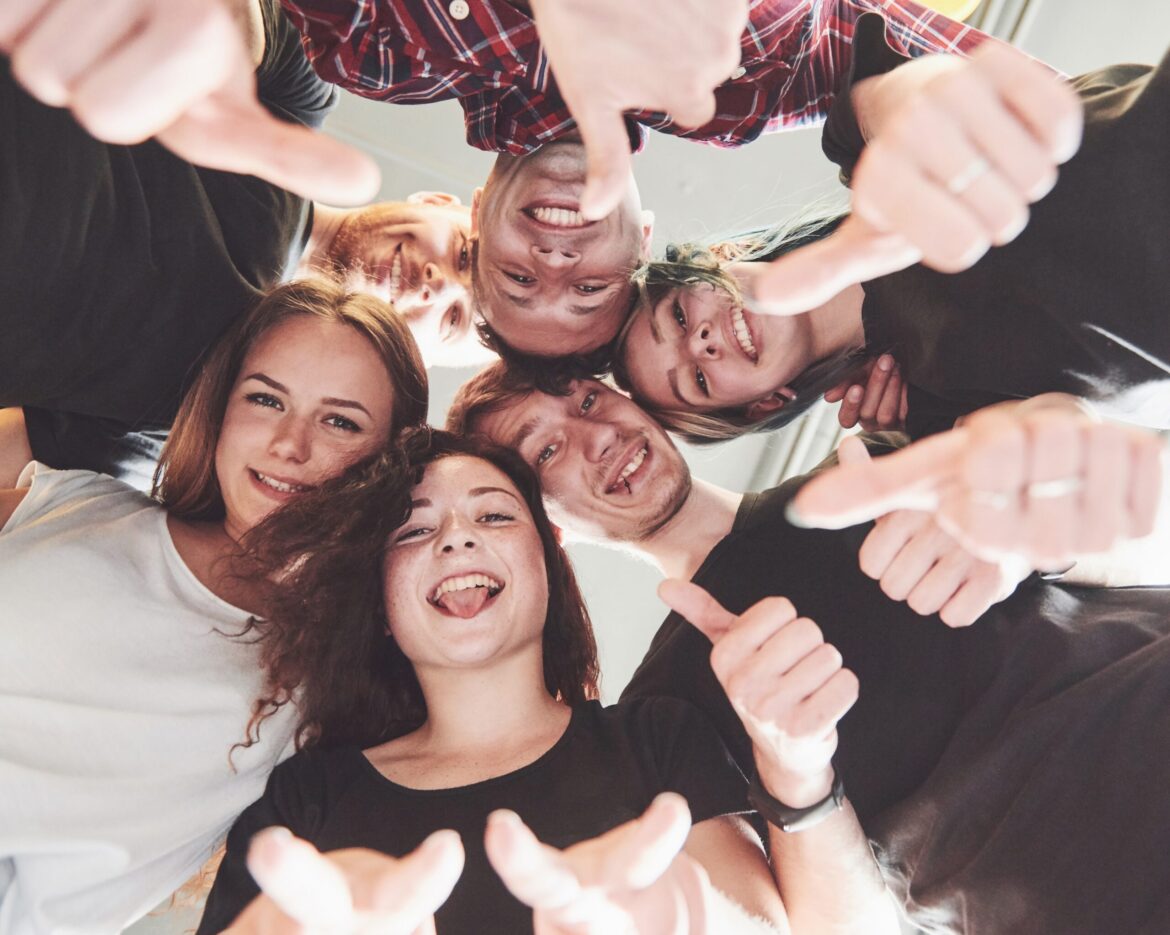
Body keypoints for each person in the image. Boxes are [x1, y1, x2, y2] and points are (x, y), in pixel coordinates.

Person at [447, 370, 1170, 933]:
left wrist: (1041, 525)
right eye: (545, 449)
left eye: (587, 400)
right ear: (548, 529)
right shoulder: (660, 724)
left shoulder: (873, 458)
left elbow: (1146, 535)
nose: (595, 435)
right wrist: (794, 772)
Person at [197, 431, 896, 933]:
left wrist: (793, 772)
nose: (457, 538)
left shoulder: (653, 738)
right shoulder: (306, 798)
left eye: (494, 514)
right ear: (379, 604)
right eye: (412, 531)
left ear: (548, 568)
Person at [0, 280, 428, 934]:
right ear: (222, 406)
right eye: (265, 398)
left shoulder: (337, 691)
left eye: (339, 420)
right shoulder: (76, 500)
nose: (290, 444)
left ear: (393, 456)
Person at [276, 0, 994, 360]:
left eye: (511, 281)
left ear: (483, 208)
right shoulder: (750, 90)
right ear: (642, 239)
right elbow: (1035, 114)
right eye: (589, 286)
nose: (553, 263)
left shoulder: (378, 56)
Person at [0, 0, 485, 490]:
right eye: (465, 254)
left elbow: (15, 459)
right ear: (437, 200)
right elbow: (231, 22)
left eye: (452, 318)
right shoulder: (290, 105)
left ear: (420, 360)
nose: (435, 284)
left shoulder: (202, 419)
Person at [613, 14, 1166, 443]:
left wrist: (905, 115)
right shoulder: (932, 410)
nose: (701, 343)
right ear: (767, 403)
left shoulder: (861, 151)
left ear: (718, 256)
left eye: (680, 316)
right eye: (698, 381)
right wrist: (920, 438)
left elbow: (918, 94)